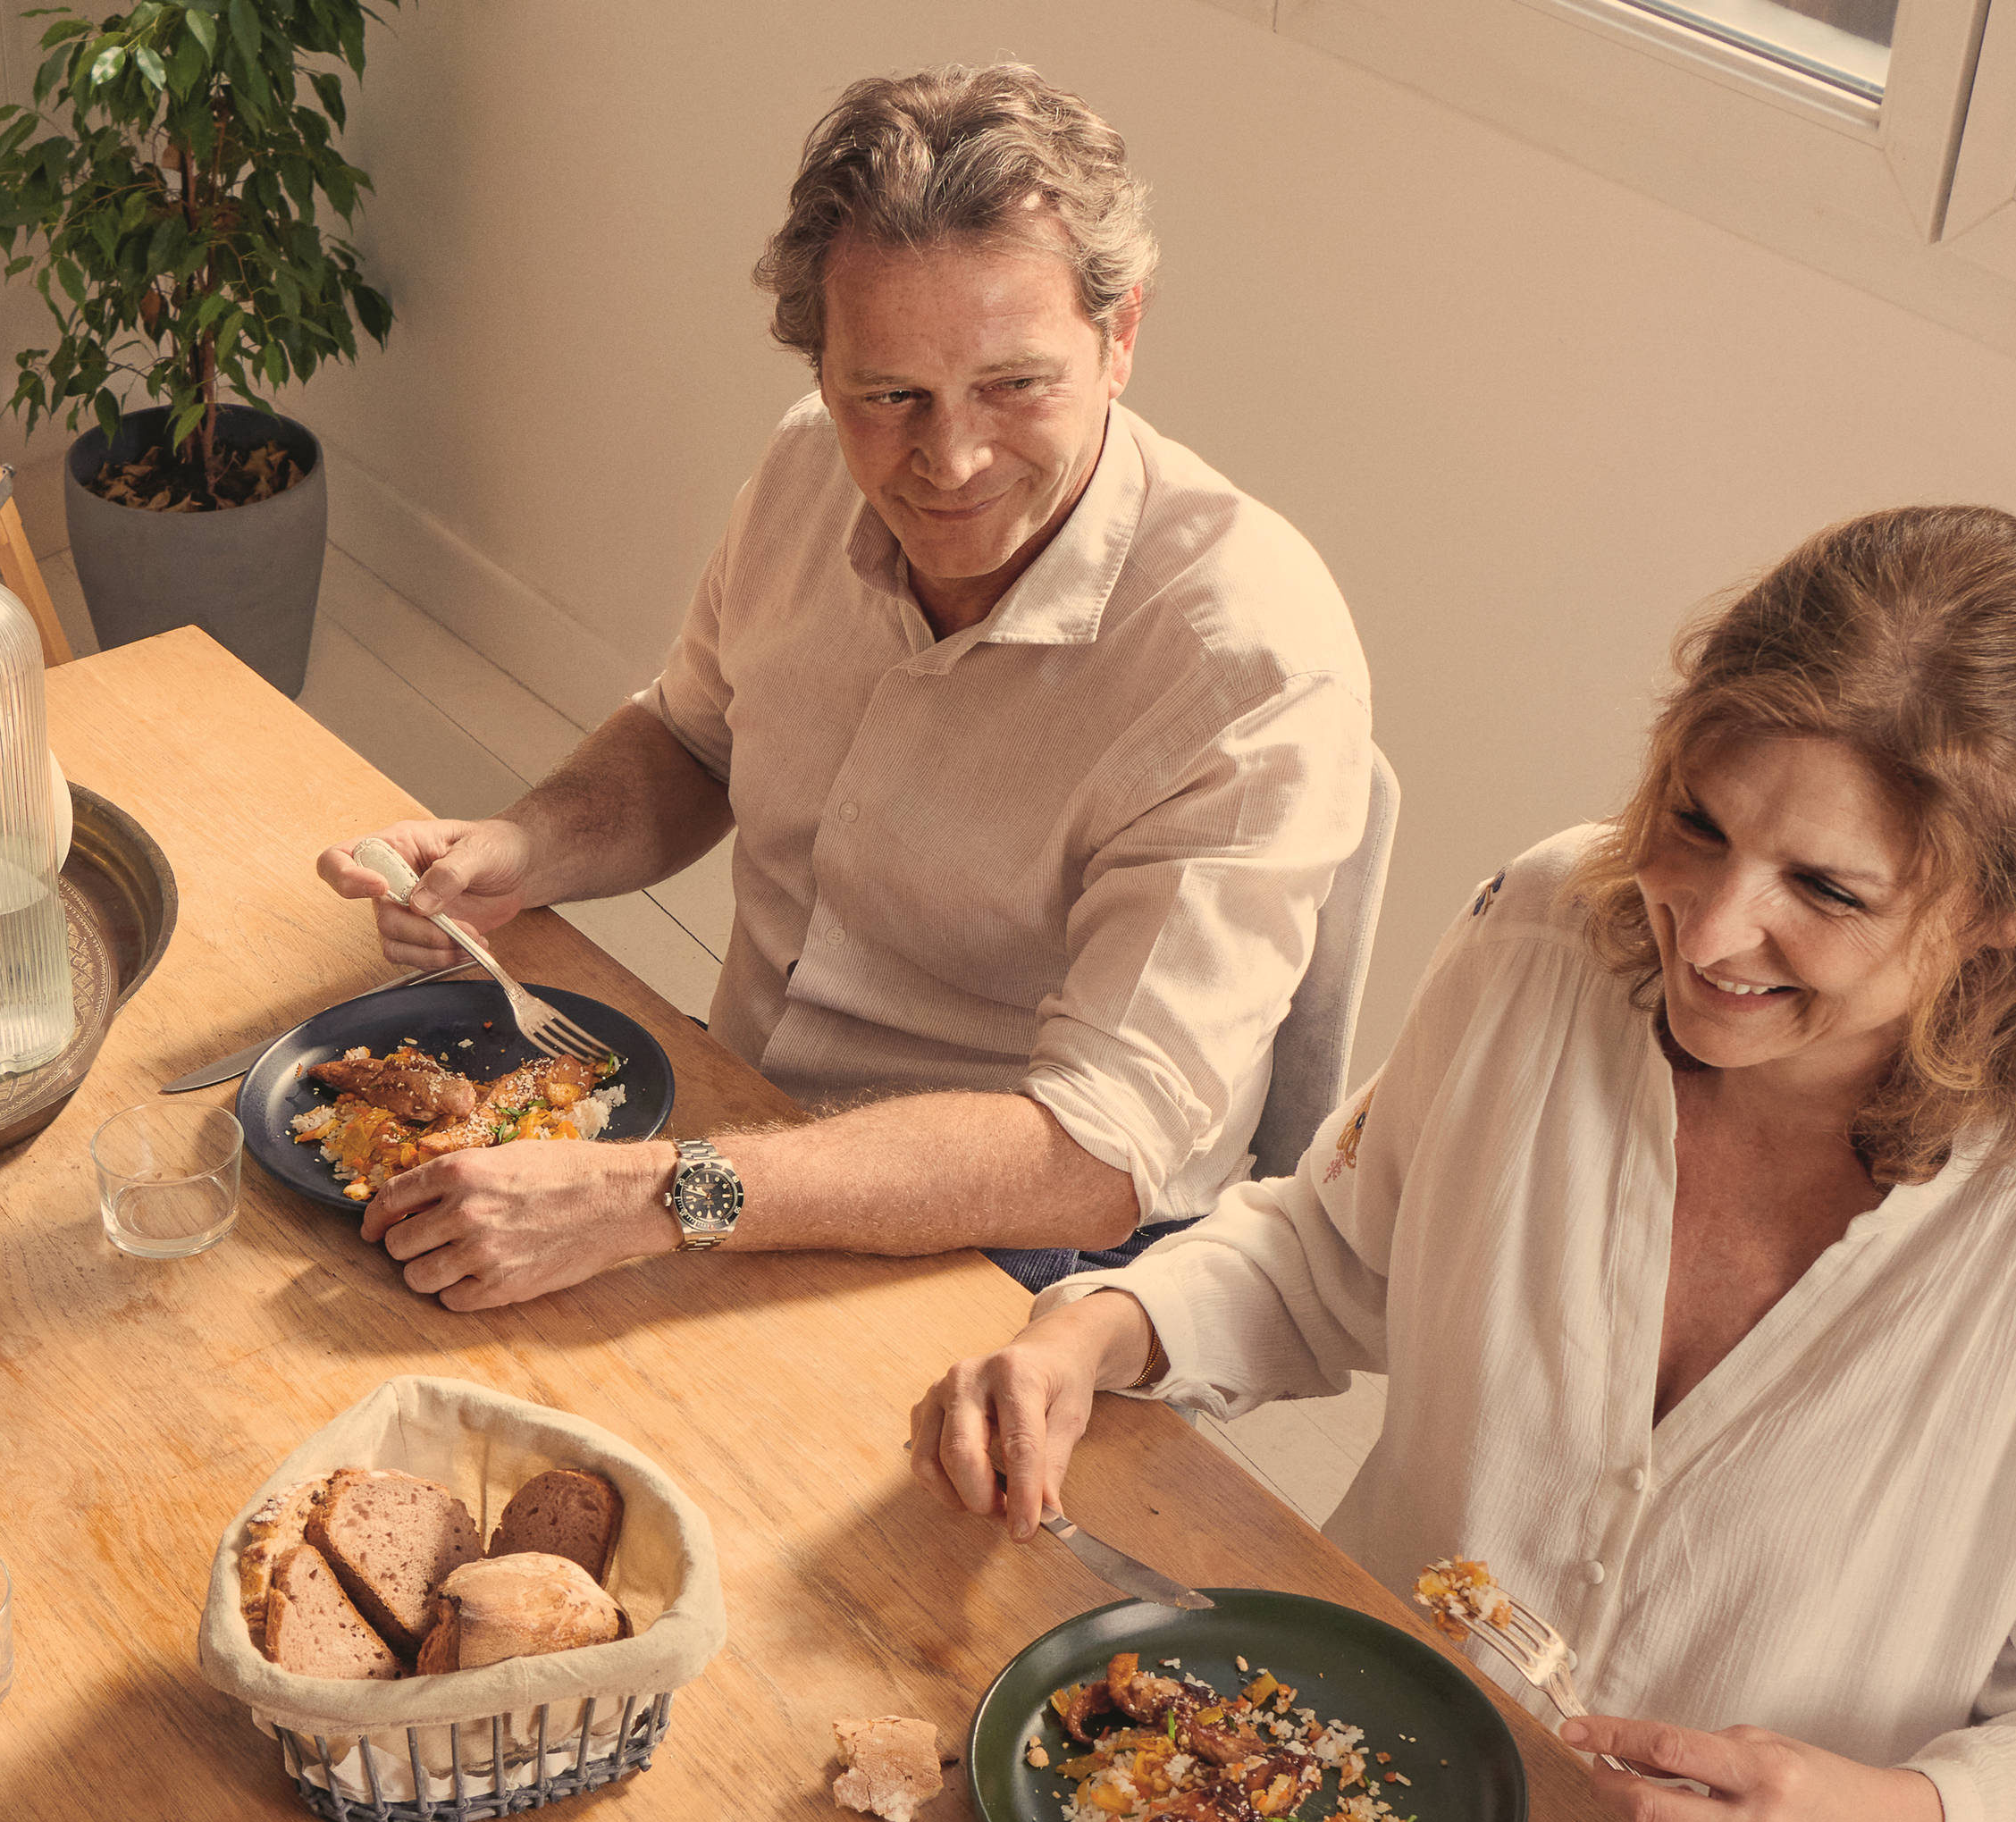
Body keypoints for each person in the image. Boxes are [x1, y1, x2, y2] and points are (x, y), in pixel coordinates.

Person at [909, 506, 2016, 1822]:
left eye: (1824, 888)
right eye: (1697, 822)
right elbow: (1334, 1250)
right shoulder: (1542, 934)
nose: (1710, 928)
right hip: (1384, 1771)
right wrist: (1091, 1336)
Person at [312, 63, 1371, 1312]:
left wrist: (656, 1199)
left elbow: (1096, 1153)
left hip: (1025, 1240)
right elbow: (693, 742)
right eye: (890, 395)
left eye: (1015, 384)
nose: (953, 457)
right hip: (736, 1121)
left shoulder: (1251, 663)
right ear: (823, 370)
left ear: (1122, 333)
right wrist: (524, 846)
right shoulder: (809, 463)